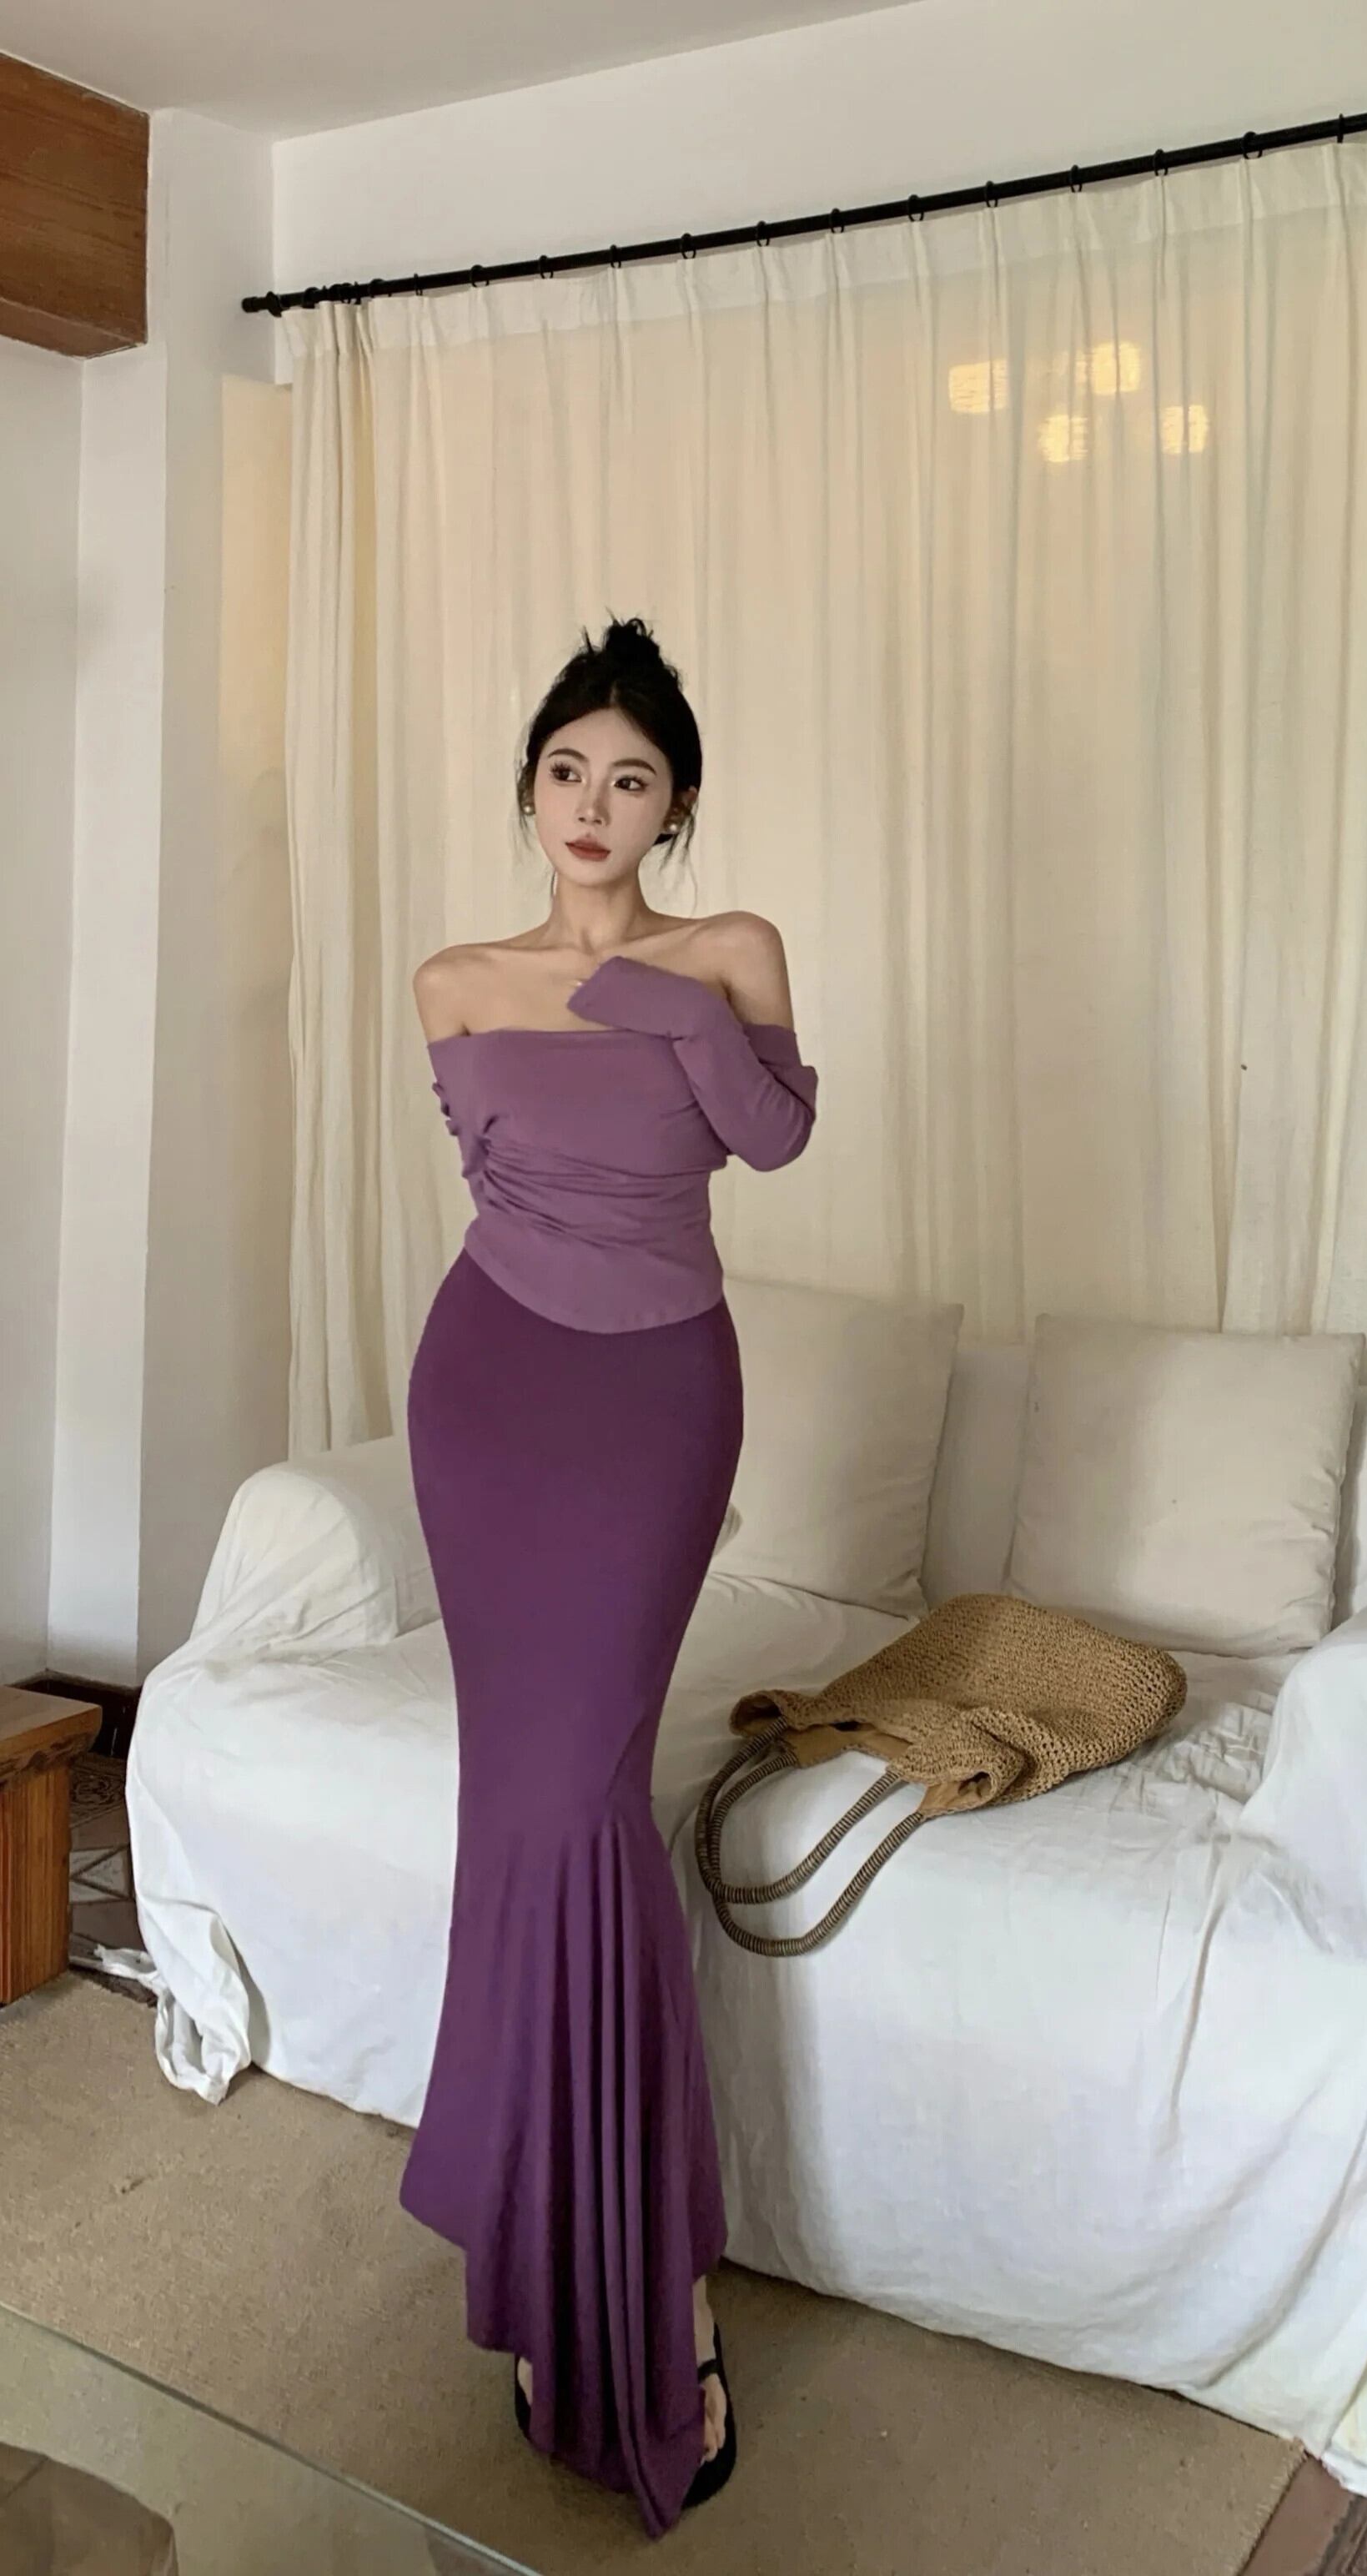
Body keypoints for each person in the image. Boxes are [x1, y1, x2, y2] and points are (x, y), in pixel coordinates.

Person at [397, 615, 817, 2534]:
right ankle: (539, 2247)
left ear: (676, 805)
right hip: (487, 1397)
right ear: (530, 788)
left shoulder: (729, 954)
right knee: (519, 1816)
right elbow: (510, 1189)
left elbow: (772, 1136)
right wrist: (577, 990)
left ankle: (651, 2287)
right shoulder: (449, 980)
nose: (593, 803)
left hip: (654, 1407)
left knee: (585, 1809)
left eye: (631, 778)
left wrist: (643, 991)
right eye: (568, 769)